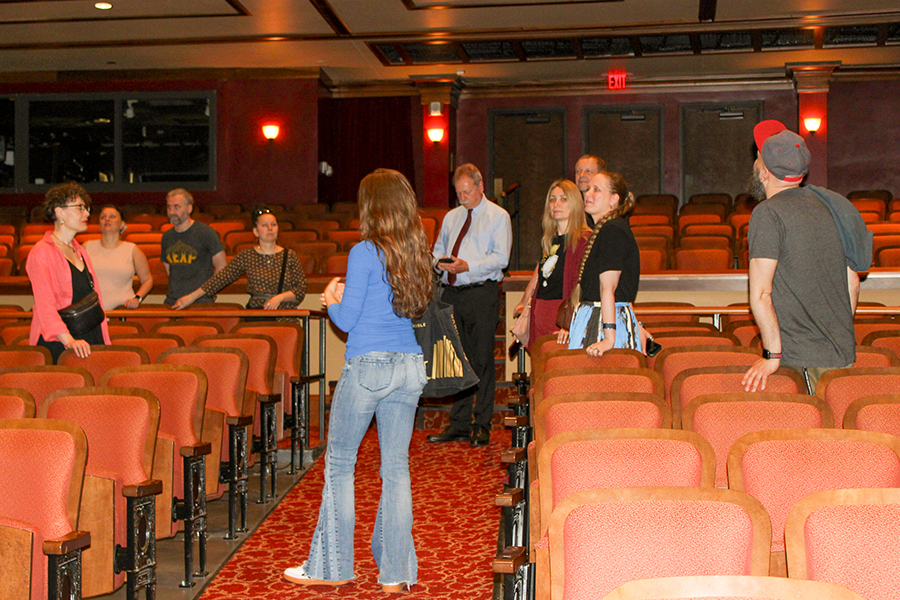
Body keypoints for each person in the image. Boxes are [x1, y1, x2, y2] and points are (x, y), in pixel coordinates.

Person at [283, 169, 433, 592]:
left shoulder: (365, 251)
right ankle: (396, 572)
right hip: (408, 366)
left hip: (368, 365)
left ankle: (333, 567)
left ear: (372, 206)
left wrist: (331, 299)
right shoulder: (415, 251)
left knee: (340, 465)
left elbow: (348, 320)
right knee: (396, 469)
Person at [742, 120, 871, 395]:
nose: (754, 162)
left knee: (803, 437)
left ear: (764, 172)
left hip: (799, 364)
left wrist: (771, 355)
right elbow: (853, 283)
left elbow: (761, 293)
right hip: (841, 356)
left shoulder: (767, 214)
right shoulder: (834, 205)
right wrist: (834, 337)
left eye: (757, 158)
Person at [427, 163, 512, 447]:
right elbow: (439, 248)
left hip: (480, 293)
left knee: (482, 360)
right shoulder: (452, 217)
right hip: (452, 294)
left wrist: (468, 267)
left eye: (467, 192)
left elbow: (501, 258)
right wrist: (438, 263)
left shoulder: (498, 217)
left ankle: (482, 423)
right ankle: (459, 423)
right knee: (455, 360)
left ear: (480, 186)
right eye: (458, 193)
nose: (463, 197)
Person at [26, 182, 110, 363]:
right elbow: (45, 307)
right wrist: (69, 341)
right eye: (80, 208)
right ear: (59, 212)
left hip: (88, 336)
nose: (87, 213)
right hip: (61, 342)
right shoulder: (41, 252)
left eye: (86, 208)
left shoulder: (81, 251)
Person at [172, 206, 307, 313]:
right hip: (257, 313)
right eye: (265, 225)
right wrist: (191, 297)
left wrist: (280, 297)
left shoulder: (290, 256)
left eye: (273, 224)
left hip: (285, 314)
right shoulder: (247, 255)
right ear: (255, 231)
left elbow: (301, 288)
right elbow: (221, 279)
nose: (270, 228)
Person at [567, 171, 642, 355]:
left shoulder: (613, 230)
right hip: (596, 316)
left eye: (596, 190)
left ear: (613, 199)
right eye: (588, 189)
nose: (588, 194)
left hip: (604, 321)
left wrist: (608, 338)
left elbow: (608, 289)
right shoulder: (605, 230)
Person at [512, 179, 590, 347]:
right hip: (540, 314)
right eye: (552, 199)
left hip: (561, 317)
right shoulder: (550, 241)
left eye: (563, 199)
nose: (556, 204)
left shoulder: (583, 240)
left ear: (575, 203)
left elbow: (583, 286)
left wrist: (571, 322)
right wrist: (525, 301)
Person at [161, 188, 226, 305]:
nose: (171, 212)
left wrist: (196, 295)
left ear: (189, 208)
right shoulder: (167, 237)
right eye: (169, 207)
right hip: (173, 301)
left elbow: (222, 269)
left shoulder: (206, 233)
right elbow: (169, 270)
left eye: (177, 207)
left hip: (201, 302)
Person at [84, 205, 153, 310]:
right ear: (99, 225)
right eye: (103, 217)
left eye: (112, 216)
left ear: (122, 224)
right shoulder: (86, 247)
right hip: (93, 310)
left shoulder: (132, 250)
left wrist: (137, 298)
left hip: (122, 311)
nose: (107, 219)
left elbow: (148, 280)